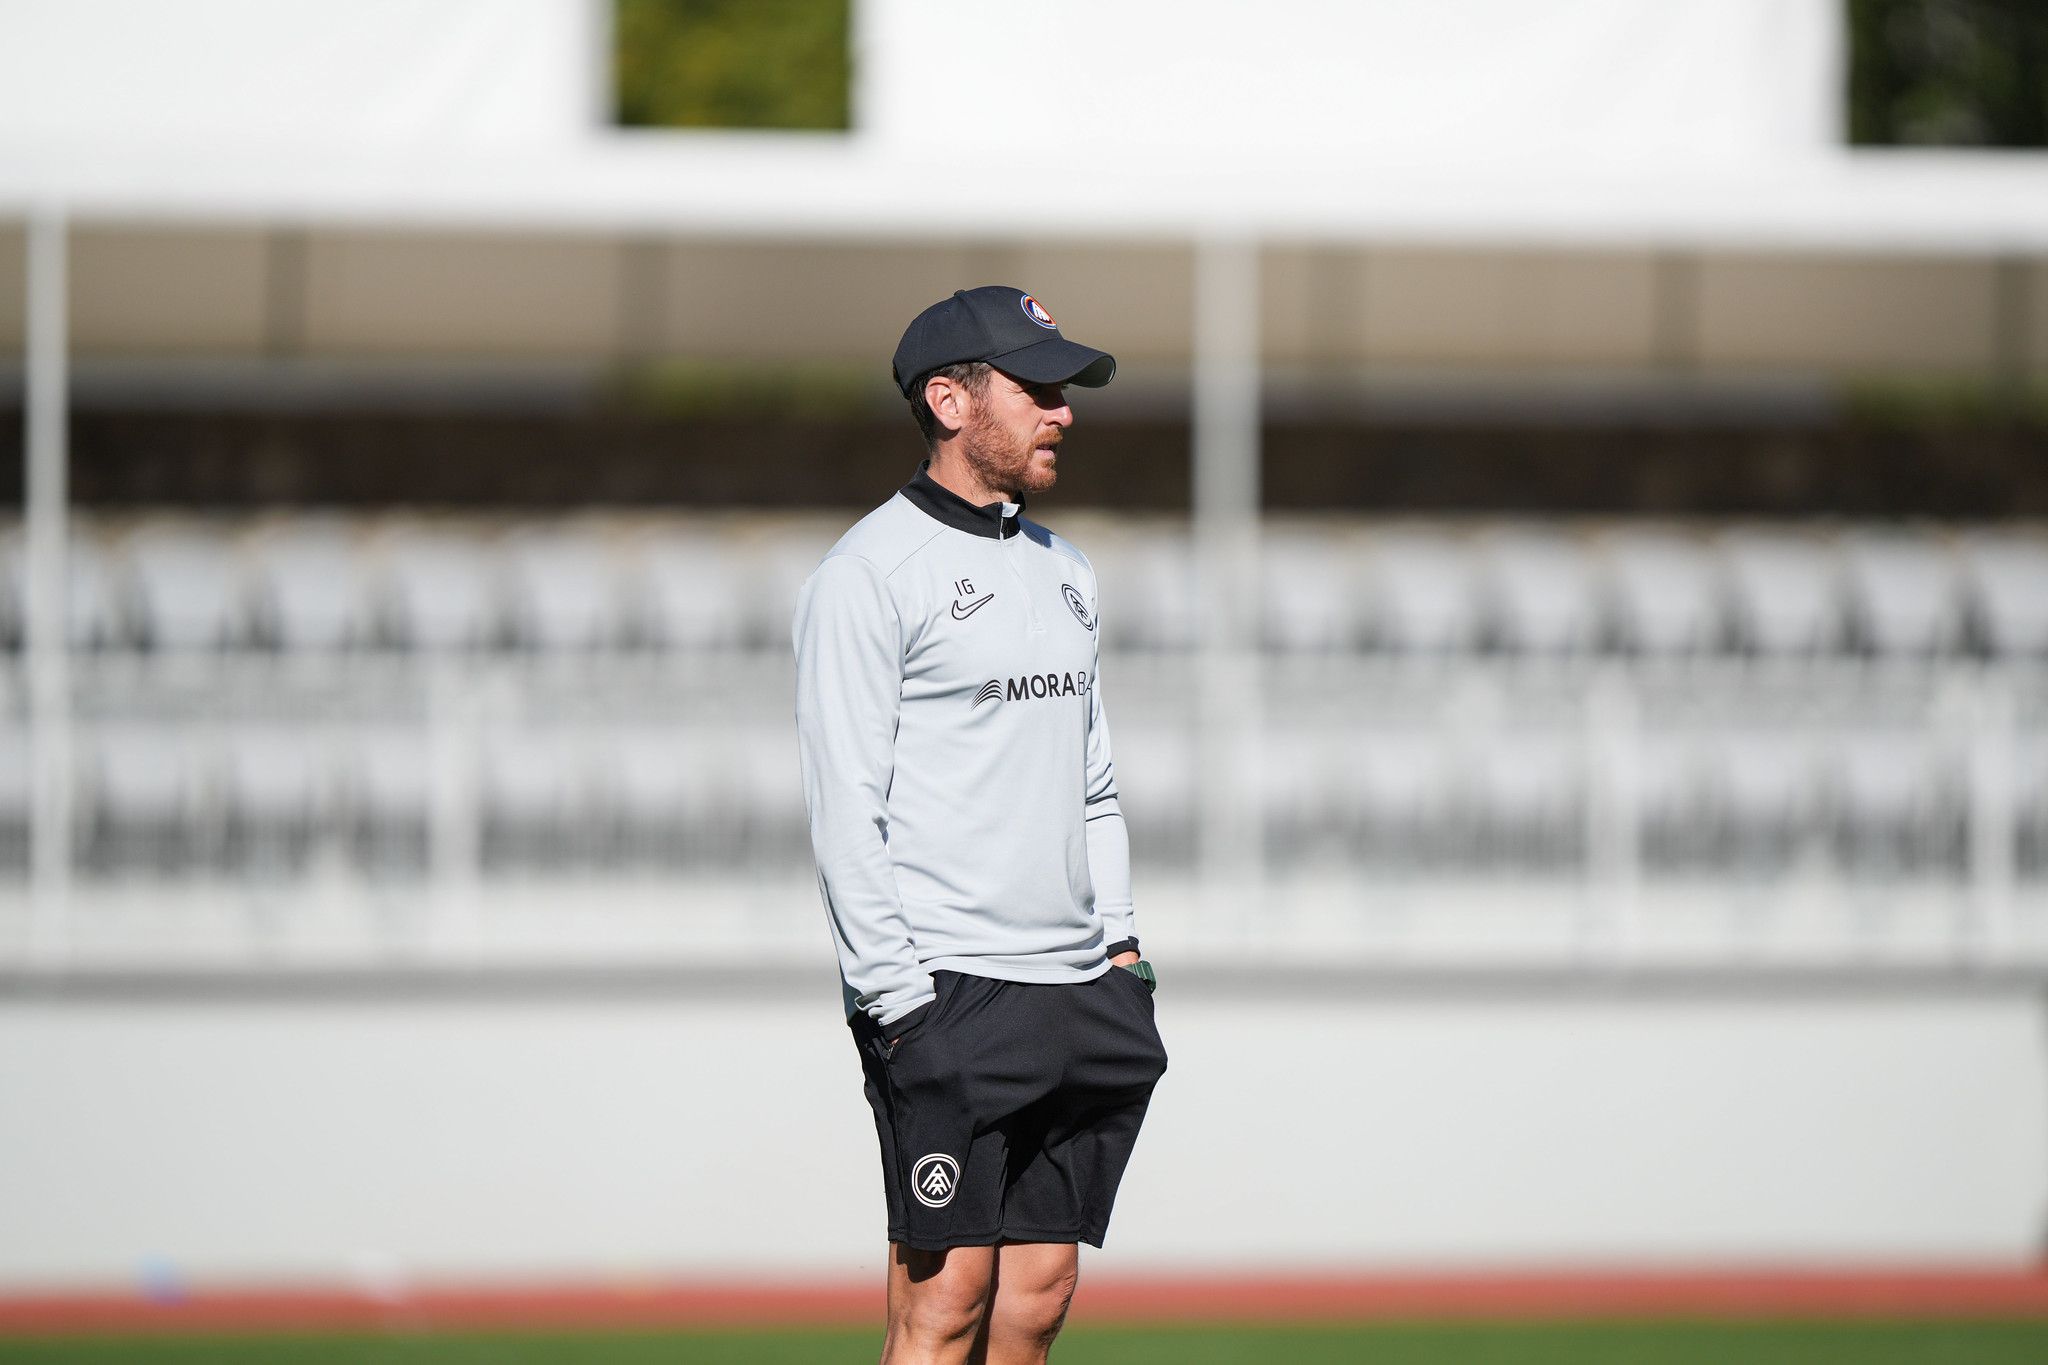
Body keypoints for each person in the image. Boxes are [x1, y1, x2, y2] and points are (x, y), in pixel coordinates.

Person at [793, 286, 1168, 1364]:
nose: (1062, 412)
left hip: (1077, 988)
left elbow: (1092, 782)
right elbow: (845, 813)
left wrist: (1121, 949)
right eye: (1036, 388)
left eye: (1064, 391)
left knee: (1037, 1299)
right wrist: (899, 1004)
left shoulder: (1065, 569)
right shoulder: (866, 577)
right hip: (948, 990)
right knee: (942, 1306)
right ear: (949, 401)